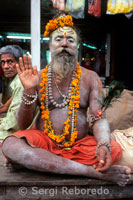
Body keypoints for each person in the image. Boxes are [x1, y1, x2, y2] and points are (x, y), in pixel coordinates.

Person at [2, 13, 131, 186]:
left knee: (113, 150)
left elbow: (98, 117)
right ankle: (92, 172)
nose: (64, 43)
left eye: (70, 40)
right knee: (10, 145)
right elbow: (23, 125)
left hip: (80, 146)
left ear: (77, 46)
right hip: (45, 143)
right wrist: (29, 90)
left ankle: (39, 163)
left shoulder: (90, 77)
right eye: (58, 40)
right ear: (50, 45)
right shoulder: (38, 78)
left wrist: (103, 144)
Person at [0, 45, 24, 143]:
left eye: (10, 61)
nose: (5, 66)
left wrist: (3, 122)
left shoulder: (20, 84)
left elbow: (14, 123)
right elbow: (6, 107)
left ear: (19, 62)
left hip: (17, 133)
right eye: (3, 62)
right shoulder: (16, 81)